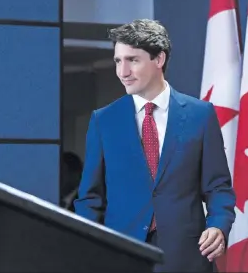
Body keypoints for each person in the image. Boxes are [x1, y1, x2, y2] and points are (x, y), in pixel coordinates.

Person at [74, 19, 236, 272]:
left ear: (159, 59)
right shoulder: (104, 120)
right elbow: (90, 197)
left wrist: (218, 224)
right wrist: (87, 249)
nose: (122, 71)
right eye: (118, 60)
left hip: (187, 258)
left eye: (132, 60)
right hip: (121, 257)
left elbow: (218, 186)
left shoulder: (200, 115)